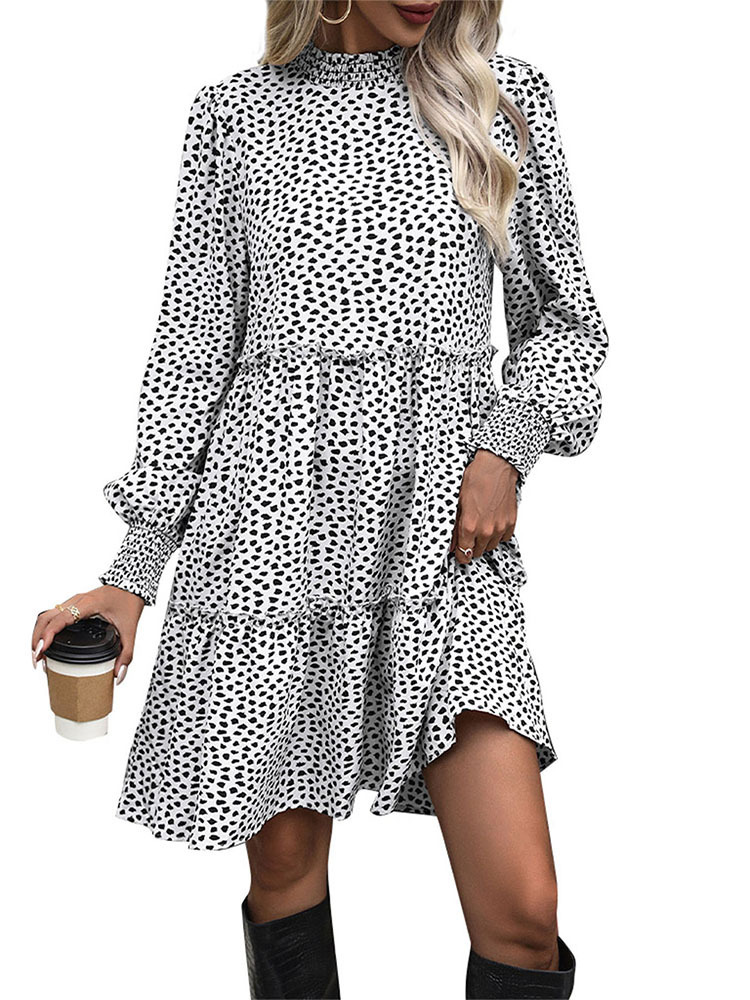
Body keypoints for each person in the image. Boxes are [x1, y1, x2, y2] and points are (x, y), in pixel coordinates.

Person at [31, 1, 608, 997]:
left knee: (523, 911)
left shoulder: (501, 100)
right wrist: (131, 573)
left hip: (442, 543)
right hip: (270, 532)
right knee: (287, 867)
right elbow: (191, 350)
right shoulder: (234, 114)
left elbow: (568, 319)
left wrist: (506, 450)